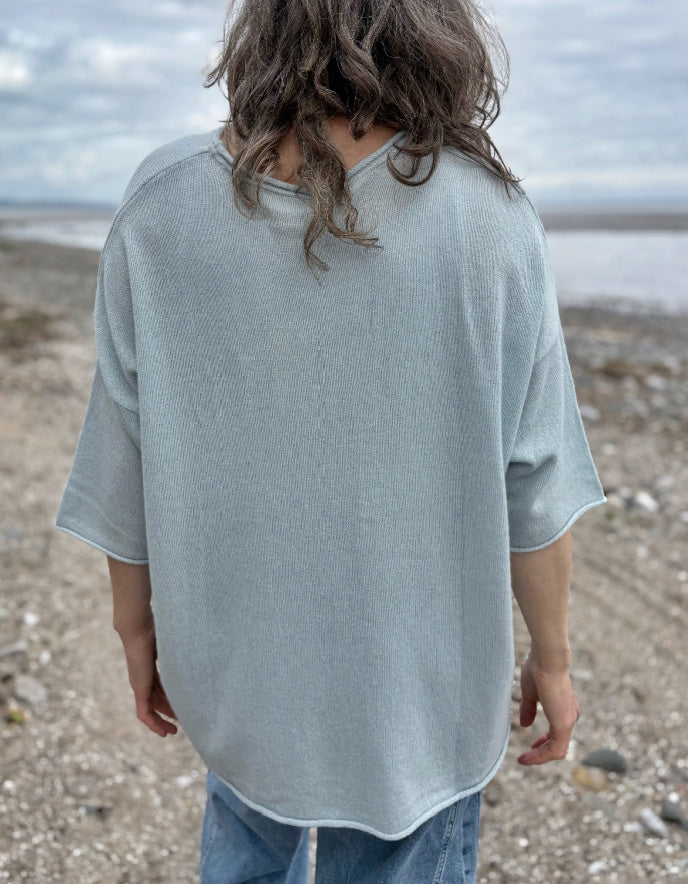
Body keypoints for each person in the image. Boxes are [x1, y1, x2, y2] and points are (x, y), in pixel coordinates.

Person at [54, 0, 607, 881]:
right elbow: (535, 476)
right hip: (420, 700)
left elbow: (126, 451)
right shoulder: (493, 217)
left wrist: (138, 629)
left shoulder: (161, 205)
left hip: (239, 672)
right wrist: (555, 657)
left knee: (245, 834)